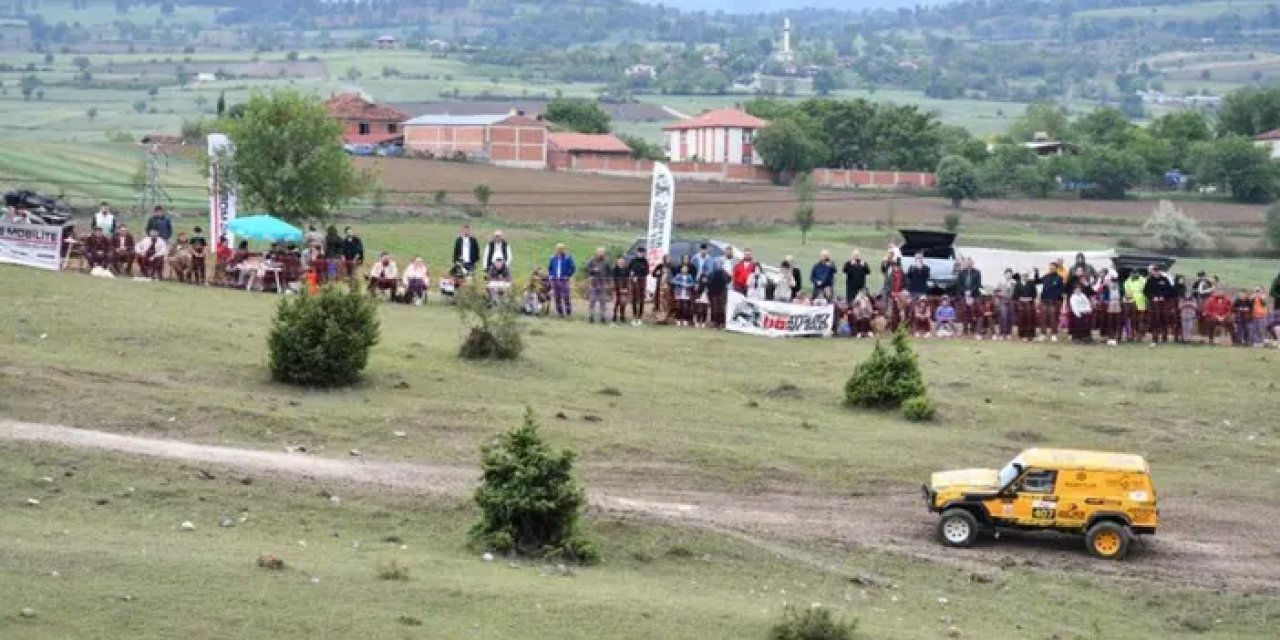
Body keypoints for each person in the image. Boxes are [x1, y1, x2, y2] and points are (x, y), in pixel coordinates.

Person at [1144, 265, 1175, 345]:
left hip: (1163, 303)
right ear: (1153, 271)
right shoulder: (1150, 280)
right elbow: (1146, 291)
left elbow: (1170, 291)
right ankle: (1155, 338)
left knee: (1164, 320)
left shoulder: (1165, 280)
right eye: (1155, 270)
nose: (1156, 272)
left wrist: (1163, 296)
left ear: (1160, 271)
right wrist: (1153, 297)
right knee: (1155, 320)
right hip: (1154, 303)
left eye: (1158, 270)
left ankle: (1165, 337)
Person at [1035, 265, 1065, 342]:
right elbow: (1037, 281)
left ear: (1056, 268)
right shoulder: (1045, 276)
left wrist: (1059, 300)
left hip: (1054, 301)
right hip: (1044, 300)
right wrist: (1036, 273)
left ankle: (1054, 334)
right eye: (1050, 267)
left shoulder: (1059, 278)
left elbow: (1061, 290)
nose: (1051, 268)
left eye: (1053, 267)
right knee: (1043, 318)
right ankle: (1043, 334)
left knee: (1053, 318)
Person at [545, 243, 575, 318]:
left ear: (564, 249)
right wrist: (551, 275)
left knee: (566, 296)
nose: (559, 250)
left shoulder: (568, 258)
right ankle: (560, 313)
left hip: (564, 280)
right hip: (555, 280)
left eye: (561, 249)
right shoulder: (552, 258)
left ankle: (568, 313)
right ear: (556, 249)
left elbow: (573, 268)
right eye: (558, 249)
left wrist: (568, 275)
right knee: (557, 297)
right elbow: (550, 268)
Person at [704, 256, 731, 329]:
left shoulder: (724, 272)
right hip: (713, 293)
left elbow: (728, 279)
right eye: (716, 263)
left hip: (721, 292)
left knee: (721, 308)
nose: (718, 265)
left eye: (719, 263)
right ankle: (714, 322)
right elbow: (708, 282)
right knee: (714, 308)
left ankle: (721, 323)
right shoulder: (711, 273)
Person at [585, 247, 610, 324]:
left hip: (602, 284)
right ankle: (591, 317)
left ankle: (603, 317)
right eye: (599, 252)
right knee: (592, 300)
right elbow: (587, 269)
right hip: (593, 283)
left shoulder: (606, 262)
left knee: (603, 301)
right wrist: (593, 270)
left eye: (602, 252)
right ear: (596, 253)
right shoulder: (592, 261)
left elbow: (610, 271)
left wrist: (608, 281)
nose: (601, 254)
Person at [626, 246, 649, 325]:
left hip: (641, 282)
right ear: (637, 253)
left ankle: (640, 317)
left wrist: (638, 276)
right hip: (634, 282)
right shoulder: (633, 260)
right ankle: (634, 316)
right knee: (634, 299)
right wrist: (632, 274)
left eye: (642, 253)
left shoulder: (645, 261)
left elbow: (646, 272)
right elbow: (629, 269)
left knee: (641, 300)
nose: (641, 254)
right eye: (639, 252)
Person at [1013, 272, 1037, 341]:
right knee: (1022, 319)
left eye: (1026, 276)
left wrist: (1031, 298)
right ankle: (1022, 335)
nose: (1025, 277)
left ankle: (1031, 335)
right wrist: (1021, 299)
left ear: (1028, 276)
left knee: (1030, 319)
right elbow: (1015, 295)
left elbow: (1034, 294)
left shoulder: (1031, 283)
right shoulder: (1017, 284)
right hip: (1021, 304)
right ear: (1021, 276)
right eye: (1023, 276)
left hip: (1030, 303)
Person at [610, 255, 630, 324]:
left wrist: (626, 288)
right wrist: (617, 289)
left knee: (623, 303)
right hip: (617, 288)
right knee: (616, 303)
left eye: (622, 261)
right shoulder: (615, 269)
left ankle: (622, 316)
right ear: (617, 261)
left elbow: (628, 280)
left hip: (624, 288)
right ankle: (614, 316)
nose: (621, 262)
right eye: (620, 261)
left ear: (624, 262)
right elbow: (614, 280)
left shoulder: (627, 269)